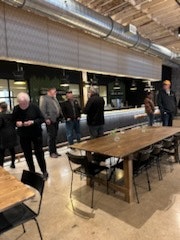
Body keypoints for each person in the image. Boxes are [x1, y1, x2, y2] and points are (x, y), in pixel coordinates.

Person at [12, 92, 48, 180]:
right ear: (18, 102)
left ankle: (44, 171)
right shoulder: (16, 108)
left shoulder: (34, 107)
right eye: (21, 103)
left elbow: (42, 119)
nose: (23, 105)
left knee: (39, 153)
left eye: (25, 103)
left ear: (28, 101)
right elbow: (12, 121)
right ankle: (32, 172)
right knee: (27, 154)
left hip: (36, 133)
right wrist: (17, 123)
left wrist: (33, 122)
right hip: (23, 135)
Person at [39, 87, 63, 158]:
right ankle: (51, 152)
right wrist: (46, 119)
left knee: (54, 136)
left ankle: (55, 151)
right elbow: (42, 110)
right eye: (54, 91)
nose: (55, 93)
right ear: (49, 91)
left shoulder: (54, 98)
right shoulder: (44, 98)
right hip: (50, 121)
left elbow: (58, 107)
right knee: (51, 136)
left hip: (56, 120)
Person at [0, 102, 17, 168]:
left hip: (3, 136)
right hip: (12, 134)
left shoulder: (0, 115)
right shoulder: (12, 114)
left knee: (1, 152)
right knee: (12, 150)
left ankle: (1, 166)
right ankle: (13, 163)